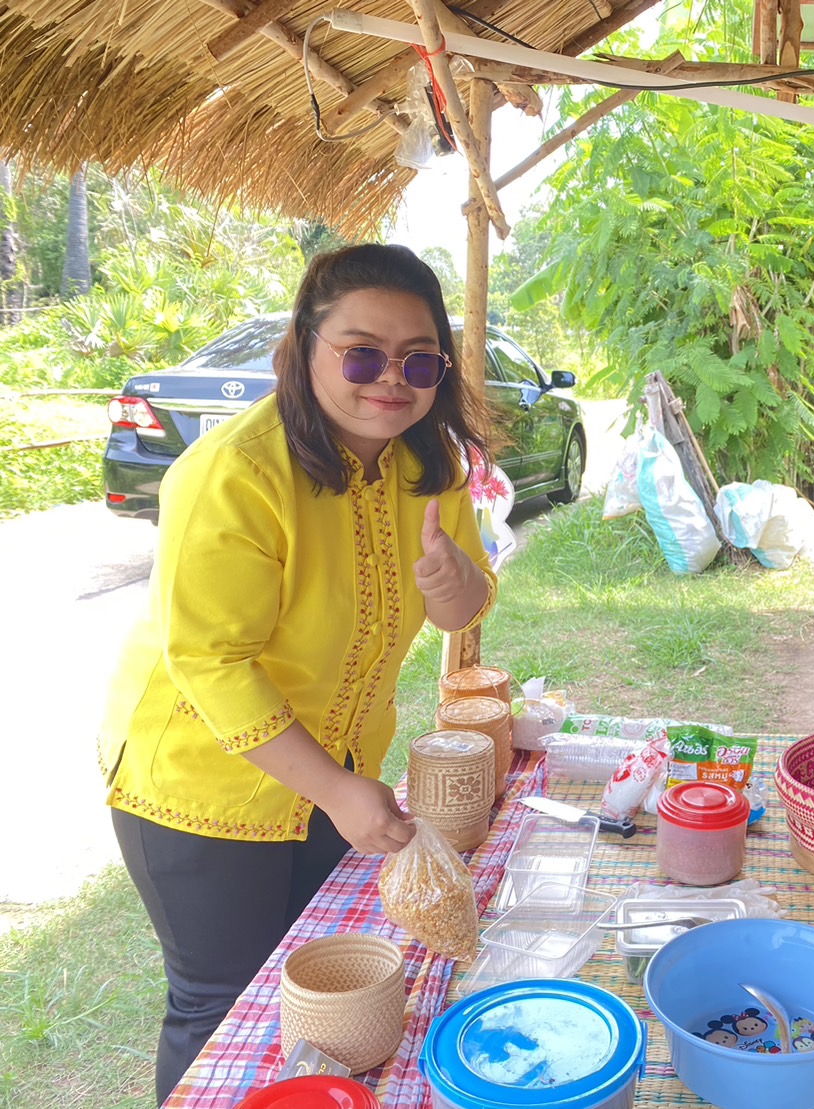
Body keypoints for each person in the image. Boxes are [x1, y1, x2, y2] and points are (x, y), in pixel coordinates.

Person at [98, 243, 498, 1104]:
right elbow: (211, 660)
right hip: (203, 783)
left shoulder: (431, 466)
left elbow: (463, 604)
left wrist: (462, 586)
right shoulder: (234, 472)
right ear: (304, 345)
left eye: (418, 359)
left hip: (339, 774)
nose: (390, 378)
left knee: (318, 979)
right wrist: (339, 791)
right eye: (361, 352)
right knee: (221, 1001)